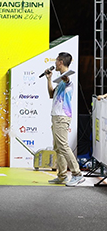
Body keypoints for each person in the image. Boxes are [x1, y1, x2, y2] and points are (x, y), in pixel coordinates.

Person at [46, 52, 85, 186]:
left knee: (63, 145)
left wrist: (65, 78)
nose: (55, 63)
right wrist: (49, 79)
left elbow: (67, 80)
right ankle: (62, 175)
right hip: (56, 116)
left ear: (61, 62)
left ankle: (77, 174)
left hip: (62, 117)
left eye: (56, 61)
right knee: (58, 147)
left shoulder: (68, 78)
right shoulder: (60, 81)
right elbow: (51, 94)